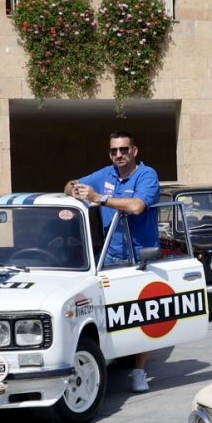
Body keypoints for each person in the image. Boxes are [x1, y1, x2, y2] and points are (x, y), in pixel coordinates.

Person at [65, 131, 161, 392]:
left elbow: (137, 206)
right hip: (109, 252)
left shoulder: (147, 175)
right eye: (113, 151)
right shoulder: (106, 174)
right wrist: (77, 189)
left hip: (140, 253)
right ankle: (107, 357)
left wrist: (99, 198)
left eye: (124, 150)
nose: (119, 155)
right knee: (105, 308)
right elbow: (68, 185)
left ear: (134, 151)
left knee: (141, 311)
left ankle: (139, 370)